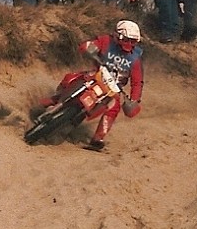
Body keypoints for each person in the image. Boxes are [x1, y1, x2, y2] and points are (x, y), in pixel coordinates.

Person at [43, 20, 144, 151]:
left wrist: (134, 100)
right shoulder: (106, 41)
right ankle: (52, 101)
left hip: (112, 89)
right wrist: (88, 47)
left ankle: (98, 138)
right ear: (117, 36)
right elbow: (87, 45)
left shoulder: (135, 58)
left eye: (133, 41)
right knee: (72, 78)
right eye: (126, 39)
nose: (129, 44)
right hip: (95, 75)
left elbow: (137, 82)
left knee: (114, 107)